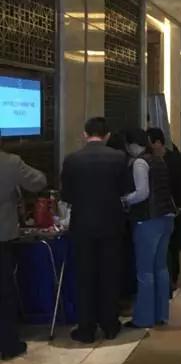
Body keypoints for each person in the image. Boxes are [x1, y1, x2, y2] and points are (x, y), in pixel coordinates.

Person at [61, 117, 127, 343]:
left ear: (84, 134)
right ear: (107, 135)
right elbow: (125, 190)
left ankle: (86, 328)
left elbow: (67, 195)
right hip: (111, 224)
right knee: (110, 275)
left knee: (85, 277)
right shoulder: (119, 158)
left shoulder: (72, 160)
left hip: (83, 226)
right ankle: (110, 325)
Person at [122, 128, 175, 329]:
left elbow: (142, 193)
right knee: (161, 267)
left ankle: (144, 318)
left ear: (130, 145)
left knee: (145, 271)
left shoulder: (140, 163)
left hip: (148, 220)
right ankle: (161, 314)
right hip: (167, 217)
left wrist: (125, 199)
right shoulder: (158, 159)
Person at [0, 136, 46, 359]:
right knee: (4, 292)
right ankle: (8, 344)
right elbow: (38, 181)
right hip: (2, 236)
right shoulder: (10, 162)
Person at [147, 128, 181, 293]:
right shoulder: (150, 160)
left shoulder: (175, 160)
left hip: (174, 210)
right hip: (159, 211)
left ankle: (172, 280)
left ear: (158, 143)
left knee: (172, 247)